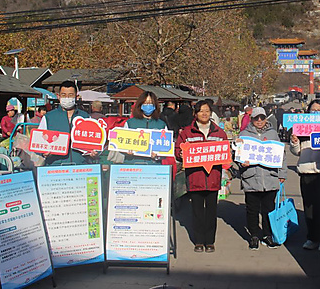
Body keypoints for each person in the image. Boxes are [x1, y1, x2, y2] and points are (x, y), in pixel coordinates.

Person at [175, 100, 228, 253]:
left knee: (211, 212)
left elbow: (225, 152)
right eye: (201, 111)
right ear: (195, 113)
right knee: (197, 212)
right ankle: (198, 241)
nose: (204, 114)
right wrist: (181, 154)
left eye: (207, 111)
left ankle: (210, 241)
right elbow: (178, 150)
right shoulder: (187, 132)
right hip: (195, 178)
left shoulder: (219, 132)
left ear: (211, 113)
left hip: (213, 179)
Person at [289, 99, 320, 252]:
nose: (316, 113)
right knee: (308, 207)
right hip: (305, 171)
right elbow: (296, 151)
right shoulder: (300, 130)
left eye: (319, 110)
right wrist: (294, 142)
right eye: (313, 110)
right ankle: (312, 238)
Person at [238, 107, 287, 250]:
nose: (259, 121)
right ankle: (254, 235)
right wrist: (241, 162)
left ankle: (267, 235)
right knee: (252, 210)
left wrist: (282, 173)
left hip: (270, 177)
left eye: (262, 118)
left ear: (266, 118)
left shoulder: (273, 133)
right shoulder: (244, 134)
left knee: (269, 209)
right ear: (251, 119)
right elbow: (238, 154)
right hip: (251, 177)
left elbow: (281, 154)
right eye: (256, 118)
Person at [38, 80, 96, 165]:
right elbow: (39, 142)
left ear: (76, 97)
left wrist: (94, 152)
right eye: (64, 95)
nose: (67, 98)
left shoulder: (85, 117)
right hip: (56, 167)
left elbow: (94, 142)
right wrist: (43, 153)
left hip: (80, 166)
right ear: (58, 96)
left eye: (70, 95)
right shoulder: (48, 118)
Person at [121, 91, 167, 164]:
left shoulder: (161, 125)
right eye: (145, 103)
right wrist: (127, 152)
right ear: (140, 105)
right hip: (133, 163)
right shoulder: (130, 123)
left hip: (153, 165)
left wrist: (158, 155)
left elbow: (166, 148)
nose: (148, 106)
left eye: (151, 103)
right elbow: (121, 144)